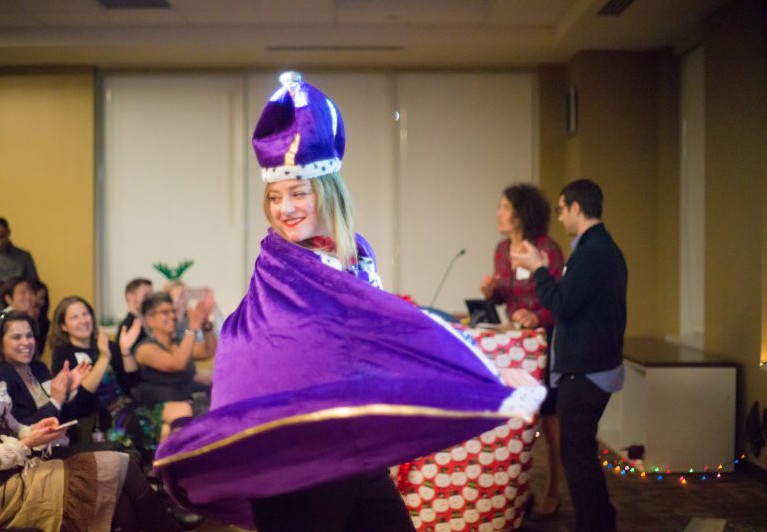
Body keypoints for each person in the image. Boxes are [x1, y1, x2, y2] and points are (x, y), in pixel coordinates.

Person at [153, 73, 545, 531]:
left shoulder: (356, 255)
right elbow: (271, 351)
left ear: (326, 191)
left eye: (298, 193)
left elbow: (388, 327)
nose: (285, 208)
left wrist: (481, 368)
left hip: (352, 450)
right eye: (275, 197)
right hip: (297, 461)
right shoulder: (282, 267)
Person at [0, 294, 182, 531]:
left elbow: (16, 426)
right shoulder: (5, 373)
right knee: (120, 462)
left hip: (26, 464)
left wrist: (38, 427)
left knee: (119, 482)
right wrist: (32, 436)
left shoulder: (14, 375)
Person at [512, 179, 627, 532]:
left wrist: (539, 268)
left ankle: (595, 526)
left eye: (562, 209)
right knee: (580, 455)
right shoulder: (598, 249)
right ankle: (599, 522)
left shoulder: (594, 254)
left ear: (577, 208)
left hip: (586, 371)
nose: (559, 217)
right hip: (589, 368)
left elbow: (562, 305)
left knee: (577, 458)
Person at [479, 183, 565, 517]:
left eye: (505, 207)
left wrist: (537, 317)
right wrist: (492, 292)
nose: (498, 213)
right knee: (516, 420)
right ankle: (517, 494)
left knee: (550, 420)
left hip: (548, 339)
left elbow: (559, 300)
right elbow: (506, 297)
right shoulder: (502, 250)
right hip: (517, 345)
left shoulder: (546, 249)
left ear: (521, 212)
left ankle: (554, 489)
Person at [49, 296, 167, 458]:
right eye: (75, 317)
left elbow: (132, 381)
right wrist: (104, 358)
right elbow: (82, 401)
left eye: (85, 314)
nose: (83, 320)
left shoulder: (105, 345)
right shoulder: (63, 354)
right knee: (142, 425)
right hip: (99, 418)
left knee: (167, 416)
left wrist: (125, 351)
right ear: (64, 326)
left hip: (128, 405)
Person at [134, 291, 215, 438]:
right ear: (150, 320)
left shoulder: (179, 343)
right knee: (183, 410)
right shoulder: (145, 349)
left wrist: (205, 324)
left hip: (186, 402)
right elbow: (177, 364)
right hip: (156, 409)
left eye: (173, 311)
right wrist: (193, 328)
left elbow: (208, 351)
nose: (172, 316)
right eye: (165, 312)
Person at [117, 277, 152, 353]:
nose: (150, 300)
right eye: (145, 295)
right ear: (130, 296)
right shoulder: (127, 326)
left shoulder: (151, 322)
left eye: (151, 295)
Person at [31, 279, 51, 357]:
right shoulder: (10, 316)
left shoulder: (44, 323)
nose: (38, 301)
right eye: (35, 295)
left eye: (42, 298)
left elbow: (40, 350)